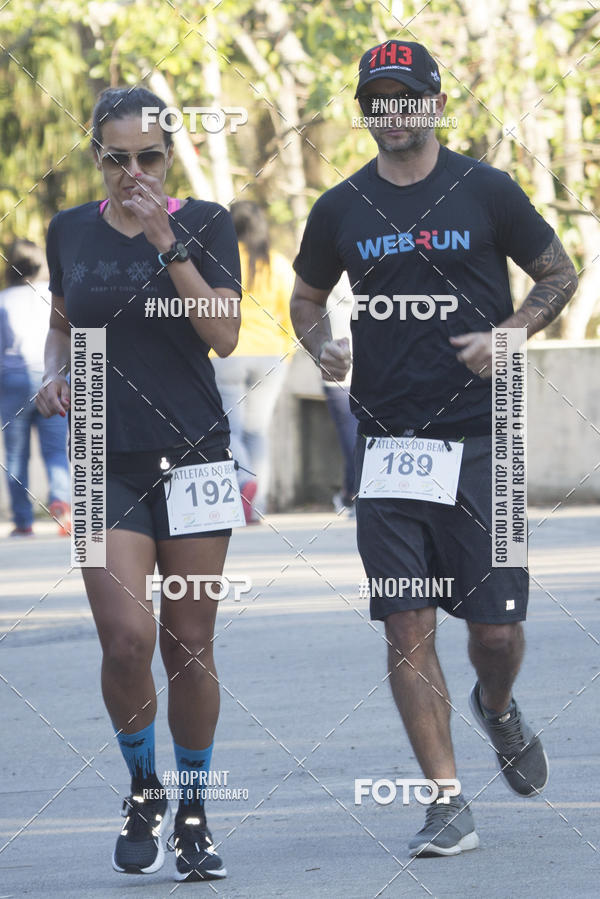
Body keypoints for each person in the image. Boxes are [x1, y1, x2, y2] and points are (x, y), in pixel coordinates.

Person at [291, 40, 578, 856]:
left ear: (434, 103)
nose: (393, 111)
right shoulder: (341, 206)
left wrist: (509, 332)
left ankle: (497, 707)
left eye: (406, 97)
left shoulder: (486, 189)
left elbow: (557, 273)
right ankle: (447, 800)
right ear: (365, 109)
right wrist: (323, 345)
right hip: (387, 445)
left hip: (486, 440)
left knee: (494, 632)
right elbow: (306, 296)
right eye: (378, 98)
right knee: (406, 623)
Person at [36, 86, 241, 881]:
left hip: (195, 456)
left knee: (190, 645)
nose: (133, 173)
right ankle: (143, 787)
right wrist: (55, 377)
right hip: (102, 455)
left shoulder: (208, 221)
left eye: (148, 157)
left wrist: (168, 241)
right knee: (127, 641)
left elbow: (223, 333)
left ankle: (193, 809)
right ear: (97, 158)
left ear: (171, 154)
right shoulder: (67, 231)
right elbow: (61, 324)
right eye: (116, 159)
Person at [212, 201, 295, 522]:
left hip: (226, 354)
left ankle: (244, 482)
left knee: (231, 430)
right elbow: (290, 312)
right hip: (270, 354)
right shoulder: (276, 264)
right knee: (258, 431)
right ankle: (256, 504)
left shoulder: (220, 263)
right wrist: (287, 352)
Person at [0, 240, 70, 536]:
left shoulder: (3, 300)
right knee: (55, 451)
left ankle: (23, 520)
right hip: (48, 377)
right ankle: (62, 509)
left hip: (12, 382)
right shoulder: (50, 296)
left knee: (16, 455)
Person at [323, 274, 358, 516]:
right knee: (356, 433)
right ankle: (351, 493)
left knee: (351, 434)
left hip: (340, 363)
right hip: (360, 362)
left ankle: (354, 493)